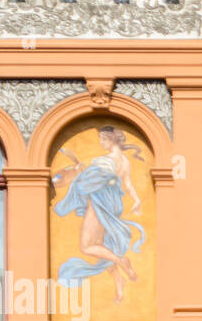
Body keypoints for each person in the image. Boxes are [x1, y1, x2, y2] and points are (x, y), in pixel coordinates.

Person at [52, 125, 146, 303]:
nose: (100, 143)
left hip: (99, 203)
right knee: (103, 246)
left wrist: (77, 169)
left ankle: (121, 261)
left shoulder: (106, 160)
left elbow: (91, 180)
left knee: (87, 246)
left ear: (110, 139)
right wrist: (137, 201)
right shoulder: (125, 161)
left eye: (102, 139)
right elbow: (127, 184)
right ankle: (119, 281)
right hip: (113, 204)